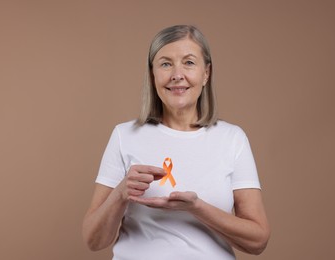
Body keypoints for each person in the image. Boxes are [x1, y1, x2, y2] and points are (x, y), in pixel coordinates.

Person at [82, 25, 270, 260]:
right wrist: (120, 193)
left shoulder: (232, 139)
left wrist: (196, 208)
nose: (176, 75)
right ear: (153, 75)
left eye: (189, 62)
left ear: (206, 73)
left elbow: (258, 241)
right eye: (165, 63)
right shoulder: (124, 135)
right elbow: (93, 240)